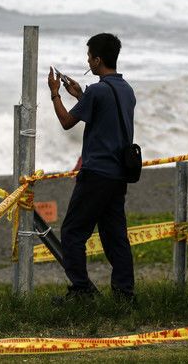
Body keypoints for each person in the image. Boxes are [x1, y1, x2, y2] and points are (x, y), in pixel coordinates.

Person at [47, 32, 136, 303]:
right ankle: (124, 294)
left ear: (97, 60)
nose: (87, 61)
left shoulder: (97, 91)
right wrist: (80, 95)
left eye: (89, 57)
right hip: (118, 174)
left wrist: (55, 94)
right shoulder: (125, 89)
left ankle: (81, 290)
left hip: (96, 173)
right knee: (114, 235)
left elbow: (66, 122)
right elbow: (105, 114)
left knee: (72, 232)